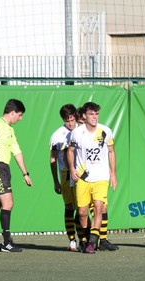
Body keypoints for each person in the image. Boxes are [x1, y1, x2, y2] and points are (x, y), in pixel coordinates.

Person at [67, 101, 119, 254]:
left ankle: (92, 242)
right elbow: (70, 151)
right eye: (91, 114)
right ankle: (83, 239)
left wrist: (113, 173)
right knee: (82, 212)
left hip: (101, 177)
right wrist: (71, 169)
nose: (95, 117)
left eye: (96, 114)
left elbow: (111, 151)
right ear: (84, 116)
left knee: (99, 207)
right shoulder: (77, 133)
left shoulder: (106, 131)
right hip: (83, 178)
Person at [0, 99, 33, 252]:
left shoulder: (9, 129)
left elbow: (17, 152)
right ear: (12, 113)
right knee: (8, 203)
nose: (21, 118)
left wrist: (25, 173)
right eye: (20, 114)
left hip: (4, 168)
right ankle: (6, 242)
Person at [49, 104, 83, 251]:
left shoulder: (82, 130)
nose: (70, 123)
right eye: (67, 120)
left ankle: (84, 238)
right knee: (69, 206)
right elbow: (53, 160)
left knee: (82, 207)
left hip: (82, 174)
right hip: (66, 174)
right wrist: (55, 181)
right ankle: (72, 240)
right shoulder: (57, 135)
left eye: (72, 120)